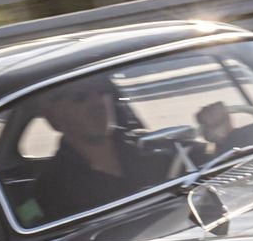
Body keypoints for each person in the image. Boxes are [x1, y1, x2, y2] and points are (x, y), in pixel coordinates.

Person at [30, 74, 182, 222]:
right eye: (80, 97)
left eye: (103, 92)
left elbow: (197, 168)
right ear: (53, 118)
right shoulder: (52, 186)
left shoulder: (148, 145)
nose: (98, 103)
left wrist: (206, 134)